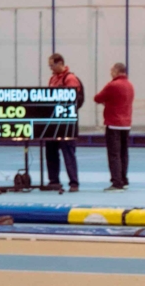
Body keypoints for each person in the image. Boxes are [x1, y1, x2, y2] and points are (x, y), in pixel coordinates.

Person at [44, 54, 84, 191]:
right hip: (53, 123)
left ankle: (74, 183)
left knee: (68, 153)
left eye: (52, 65)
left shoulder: (70, 79)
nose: (50, 69)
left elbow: (72, 99)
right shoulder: (52, 78)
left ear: (60, 63)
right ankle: (53, 181)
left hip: (66, 123)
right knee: (51, 152)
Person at [93, 63, 134, 192]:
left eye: (112, 70)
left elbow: (97, 98)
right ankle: (123, 179)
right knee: (123, 153)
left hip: (113, 123)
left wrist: (107, 102)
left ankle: (117, 182)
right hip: (126, 124)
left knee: (114, 154)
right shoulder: (130, 85)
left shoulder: (113, 85)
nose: (111, 73)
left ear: (117, 71)